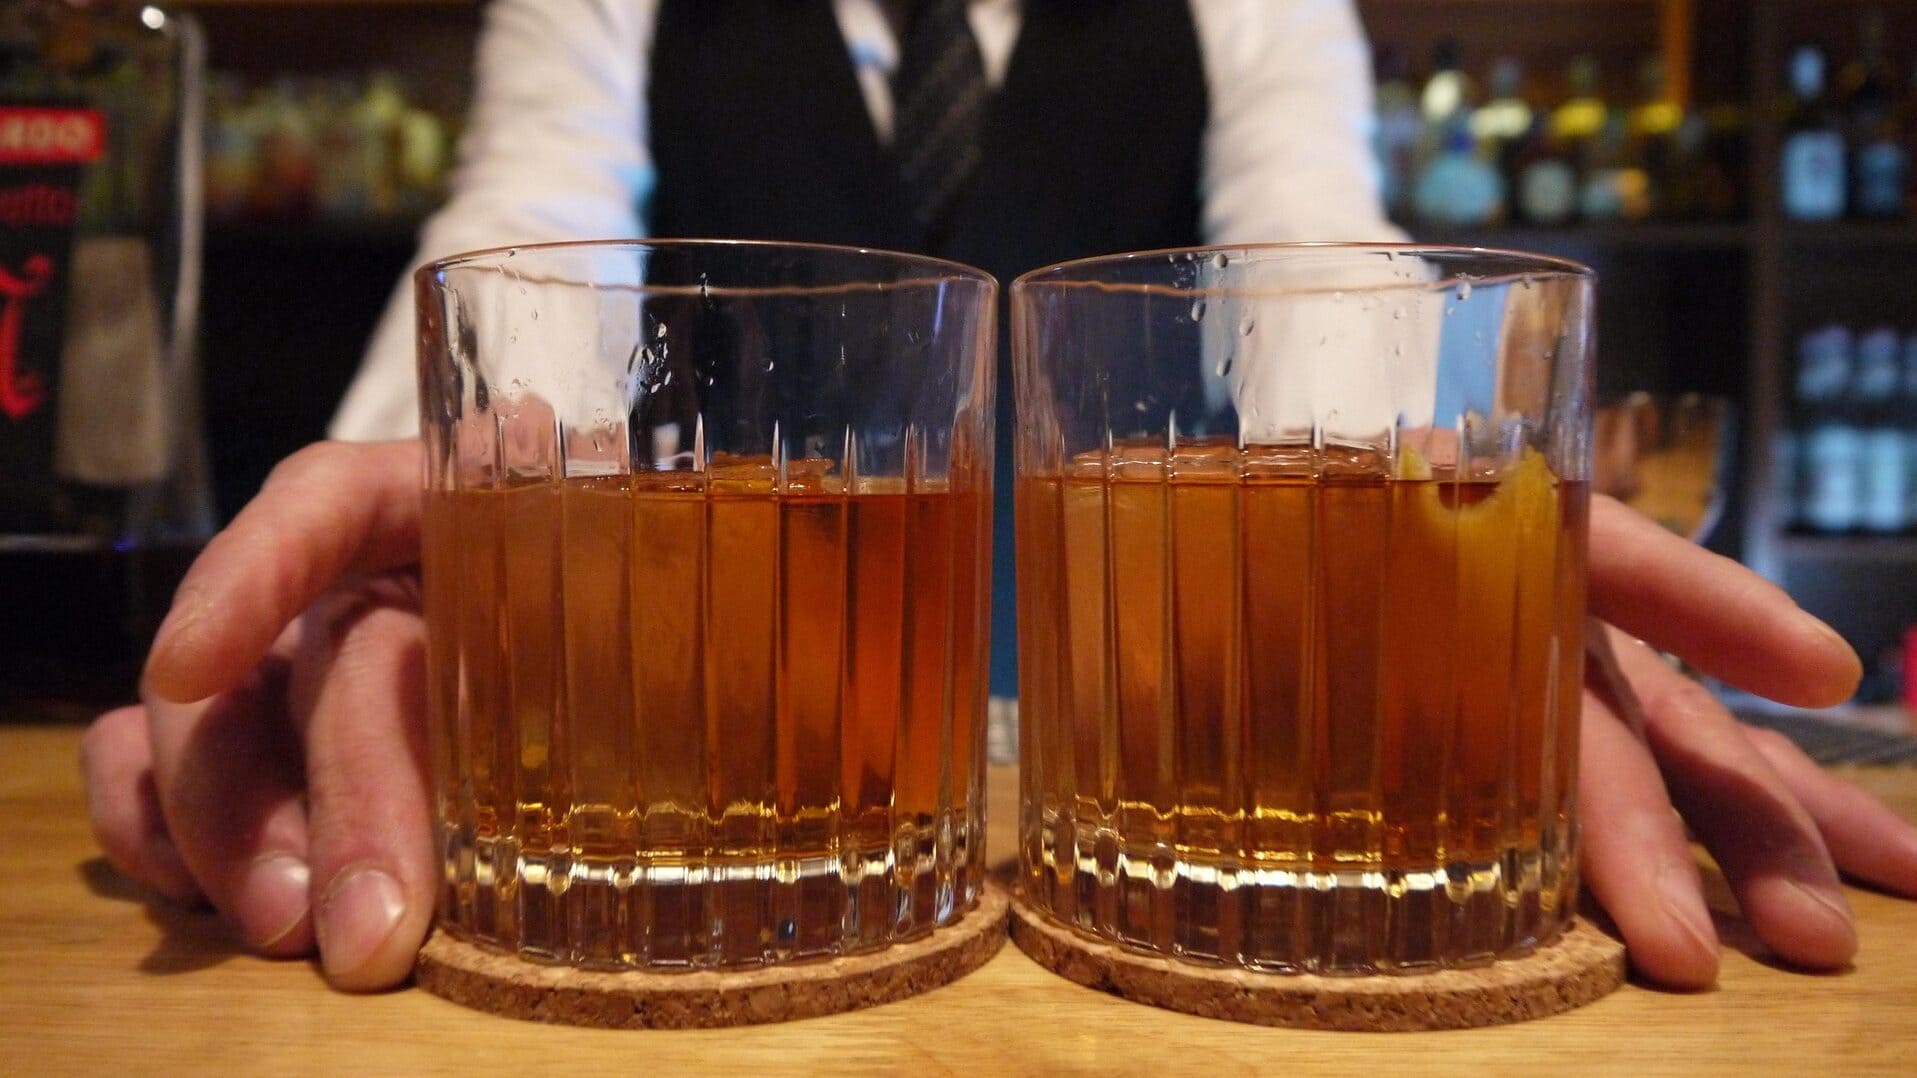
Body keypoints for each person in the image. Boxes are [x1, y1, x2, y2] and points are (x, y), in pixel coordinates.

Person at [82, 0, 1917, 993]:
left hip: (1160, 733)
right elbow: (517, 237)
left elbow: (1317, 273)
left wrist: (1437, 583)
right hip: (725, 746)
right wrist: (421, 540)